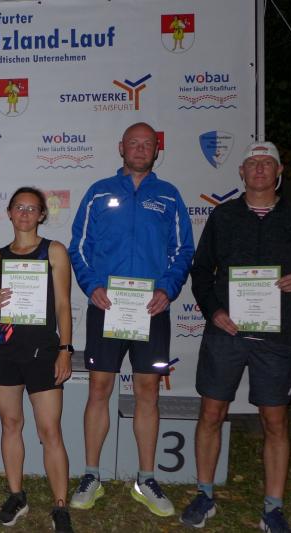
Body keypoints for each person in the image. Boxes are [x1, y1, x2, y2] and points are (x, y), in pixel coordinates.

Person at [181, 142, 291, 532]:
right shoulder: (223, 216)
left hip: (275, 337)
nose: (259, 169)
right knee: (212, 413)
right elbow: (201, 272)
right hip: (225, 332)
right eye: (252, 163)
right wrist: (215, 311)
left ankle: (272, 508)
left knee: (274, 420)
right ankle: (204, 494)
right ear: (241, 172)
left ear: (279, 172)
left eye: (266, 163)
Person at [68, 122, 194, 517]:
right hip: (106, 306)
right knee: (99, 388)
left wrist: (167, 289)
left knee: (148, 391)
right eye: (133, 143)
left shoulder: (169, 195)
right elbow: (79, 246)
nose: (140, 149)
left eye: (147, 144)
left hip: (152, 310)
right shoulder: (98, 192)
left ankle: (146, 478)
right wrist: (91, 285)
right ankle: (91, 475)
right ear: (121, 147)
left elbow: (183, 250)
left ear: (157, 150)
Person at [0, 187, 74, 532]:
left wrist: (65, 350)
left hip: (43, 351)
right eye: (19, 207)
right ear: (9, 212)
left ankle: (60, 506)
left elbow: (63, 305)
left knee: (50, 430)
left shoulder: (54, 251)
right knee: (10, 424)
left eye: (31, 208)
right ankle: (16, 495)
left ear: (41, 215)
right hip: (4, 351)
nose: (24, 213)